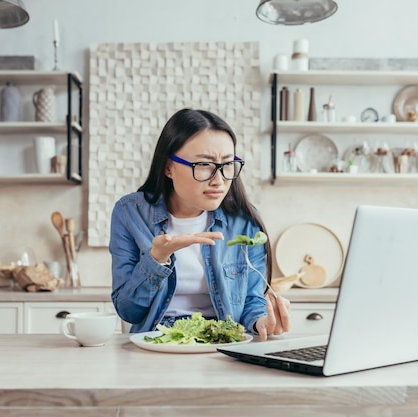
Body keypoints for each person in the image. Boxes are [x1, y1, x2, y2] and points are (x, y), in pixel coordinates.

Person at [109, 108, 290, 340]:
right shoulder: (129, 213)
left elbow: (251, 301)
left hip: (223, 341)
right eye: (204, 165)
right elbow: (128, 311)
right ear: (168, 167)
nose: (219, 180)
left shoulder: (245, 219)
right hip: (157, 342)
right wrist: (157, 258)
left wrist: (262, 321)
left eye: (227, 164)